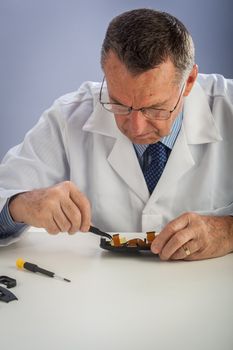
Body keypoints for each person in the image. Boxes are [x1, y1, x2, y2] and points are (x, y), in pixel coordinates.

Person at [0, 8, 233, 260]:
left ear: (189, 82)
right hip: (96, 292)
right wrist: (20, 204)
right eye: (119, 103)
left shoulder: (228, 106)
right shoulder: (67, 117)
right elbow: (5, 192)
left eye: (154, 108)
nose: (135, 128)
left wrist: (228, 230)